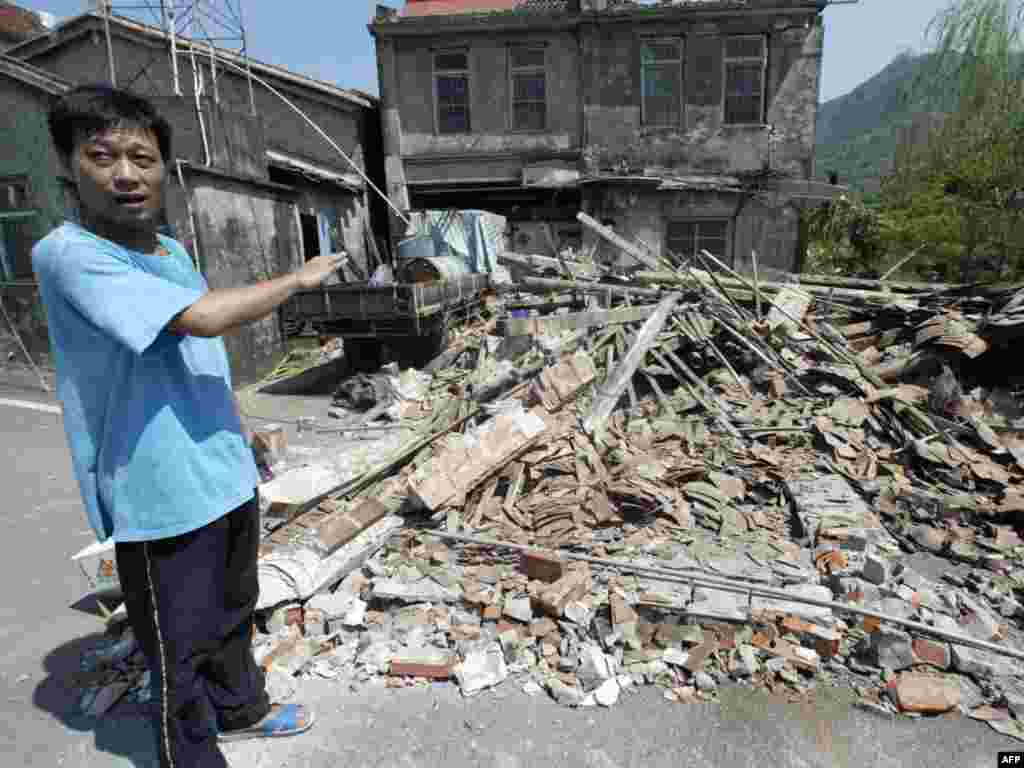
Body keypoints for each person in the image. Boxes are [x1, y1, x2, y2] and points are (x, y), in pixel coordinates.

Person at [33, 84, 344, 768]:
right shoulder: (69, 253)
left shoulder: (167, 250)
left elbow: (202, 350)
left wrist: (241, 426)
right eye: (102, 156)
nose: (124, 174)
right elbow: (200, 319)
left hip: (221, 469)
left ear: (164, 170)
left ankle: (242, 710)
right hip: (158, 488)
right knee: (178, 644)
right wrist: (299, 280)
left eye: (142, 157)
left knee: (235, 609)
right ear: (69, 168)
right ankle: (192, 756)